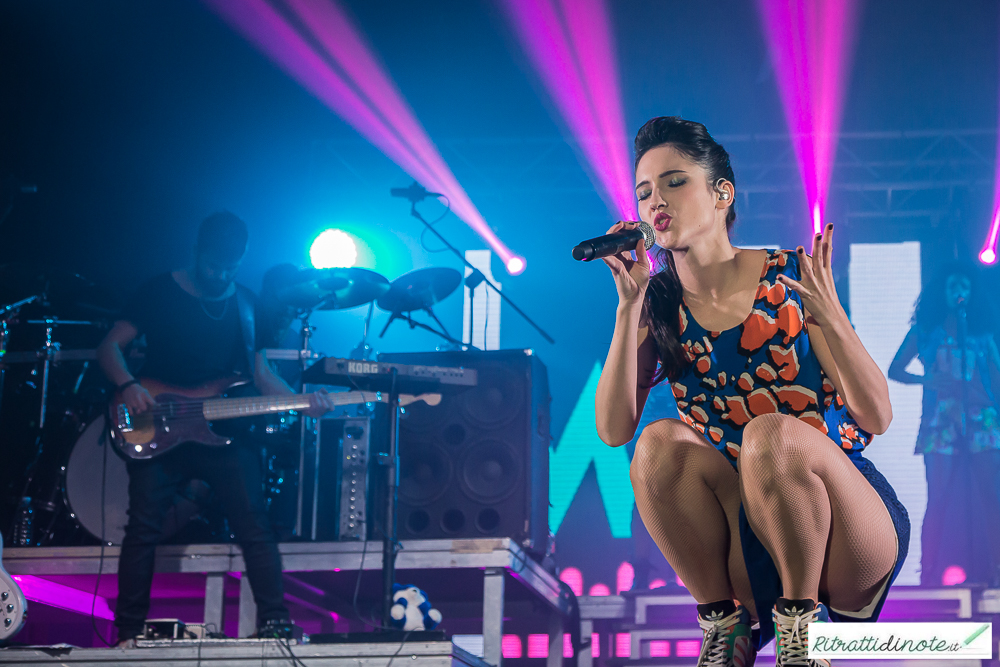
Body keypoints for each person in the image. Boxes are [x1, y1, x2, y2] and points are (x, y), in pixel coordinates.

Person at [595, 117, 909, 667]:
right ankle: (727, 622)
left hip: (843, 519)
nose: (654, 202)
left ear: (722, 194)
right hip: (751, 528)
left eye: (673, 182)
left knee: (771, 436)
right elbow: (614, 430)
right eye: (643, 192)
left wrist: (831, 318)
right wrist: (629, 306)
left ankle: (801, 631)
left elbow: (877, 416)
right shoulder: (657, 303)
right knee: (656, 445)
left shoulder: (789, 275)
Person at [97, 212, 334, 643]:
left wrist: (303, 404)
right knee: (143, 526)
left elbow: (261, 373)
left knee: (254, 524)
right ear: (196, 252)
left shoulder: (247, 304)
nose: (221, 274)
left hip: (223, 430)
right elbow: (110, 345)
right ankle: (128, 631)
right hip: (160, 422)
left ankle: (275, 623)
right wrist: (128, 385)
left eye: (231, 267)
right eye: (213, 266)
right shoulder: (158, 290)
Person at [888, 262, 1000, 586]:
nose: (960, 292)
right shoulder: (925, 331)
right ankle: (928, 573)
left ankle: (995, 571)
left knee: (990, 496)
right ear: (942, 293)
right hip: (941, 419)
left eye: (965, 287)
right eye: (953, 287)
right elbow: (895, 369)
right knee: (936, 496)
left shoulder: (981, 333)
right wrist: (929, 379)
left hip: (982, 417)